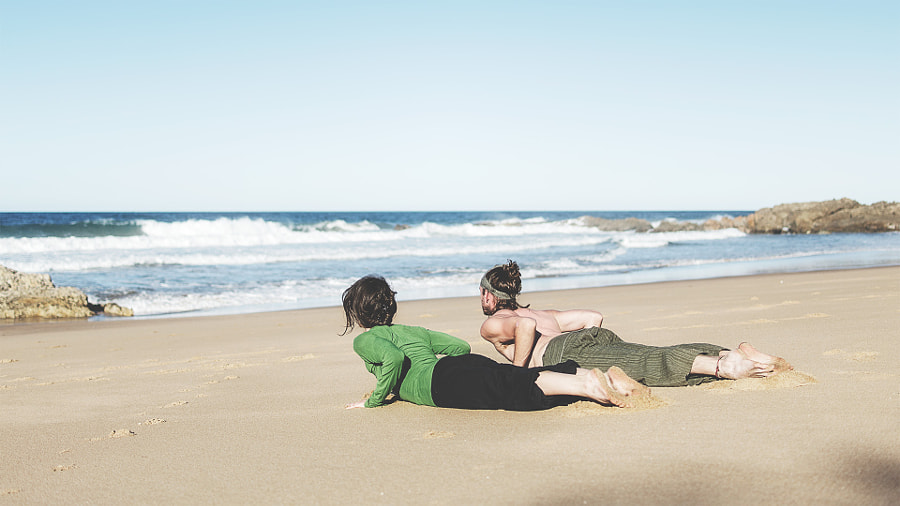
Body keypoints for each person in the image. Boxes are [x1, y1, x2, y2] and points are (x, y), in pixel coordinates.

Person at [341, 275, 650, 411]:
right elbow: (459, 348)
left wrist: (375, 400)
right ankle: (594, 377)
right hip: (454, 367)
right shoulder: (412, 331)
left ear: (357, 314)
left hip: (438, 385)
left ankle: (590, 387)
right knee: (511, 377)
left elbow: (393, 360)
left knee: (510, 390)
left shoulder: (367, 340)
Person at [479, 261, 793, 387]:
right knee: (647, 353)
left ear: (490, 295)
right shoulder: (544, 314)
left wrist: (517, 375)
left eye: (481, 293)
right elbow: (593, 318)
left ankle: (726, 367)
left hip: (561, 352)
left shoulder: (496, 322)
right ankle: (729, 353)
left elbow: (523, 329)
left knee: (644, 363)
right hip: (593, 337)